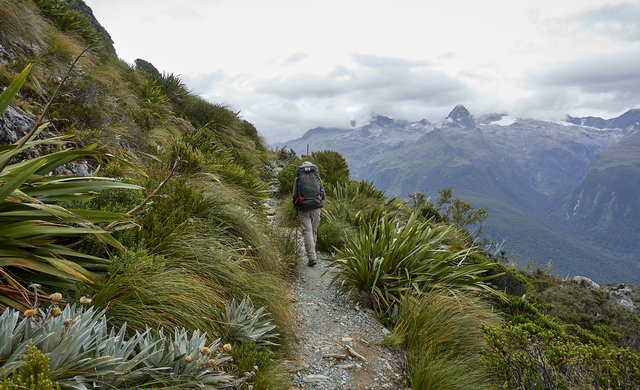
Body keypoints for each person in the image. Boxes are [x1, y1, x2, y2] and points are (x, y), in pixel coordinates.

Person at [292, 161, 325, 266]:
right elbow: (323, 194)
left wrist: (296, 204)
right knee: (314, 231)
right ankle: (313, 254)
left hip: (304, 208)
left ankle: (312, 257)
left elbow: (294, 195)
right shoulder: (317, 178)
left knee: (307, 232)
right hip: (316, 207)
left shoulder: (298, 179)